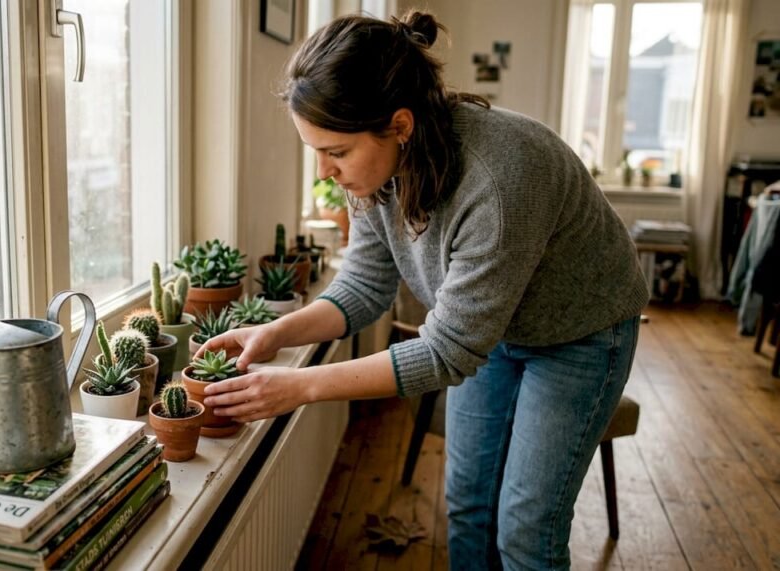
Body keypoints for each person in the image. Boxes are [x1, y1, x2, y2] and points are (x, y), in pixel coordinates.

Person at [200, 11, 648, 570]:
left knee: (526, 531)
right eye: (316, 151)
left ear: (401, 125)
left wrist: (300, 386)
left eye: (335, 152)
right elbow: (365, 285)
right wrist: (274, 332)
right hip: (491, 330)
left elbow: (446, 352)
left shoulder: (499, 179)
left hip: (580, 334)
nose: (324, 171)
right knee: (467, 503)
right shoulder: (375, 171)